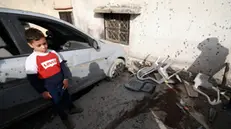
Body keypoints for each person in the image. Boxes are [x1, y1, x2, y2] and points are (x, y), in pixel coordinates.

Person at [24, 28, 83, 129]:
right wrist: (42, 91)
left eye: (45, 43)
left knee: (66, 96)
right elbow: (33, 79)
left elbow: (62, 66)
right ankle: (65, 119)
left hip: (62, 82)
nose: (43, 47)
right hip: (49, 87)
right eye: (39, 45)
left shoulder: (53, 53)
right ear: (31, 45)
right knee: (57, 103)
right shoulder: (31, 60)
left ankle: (71, 108)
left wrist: (65, 78)